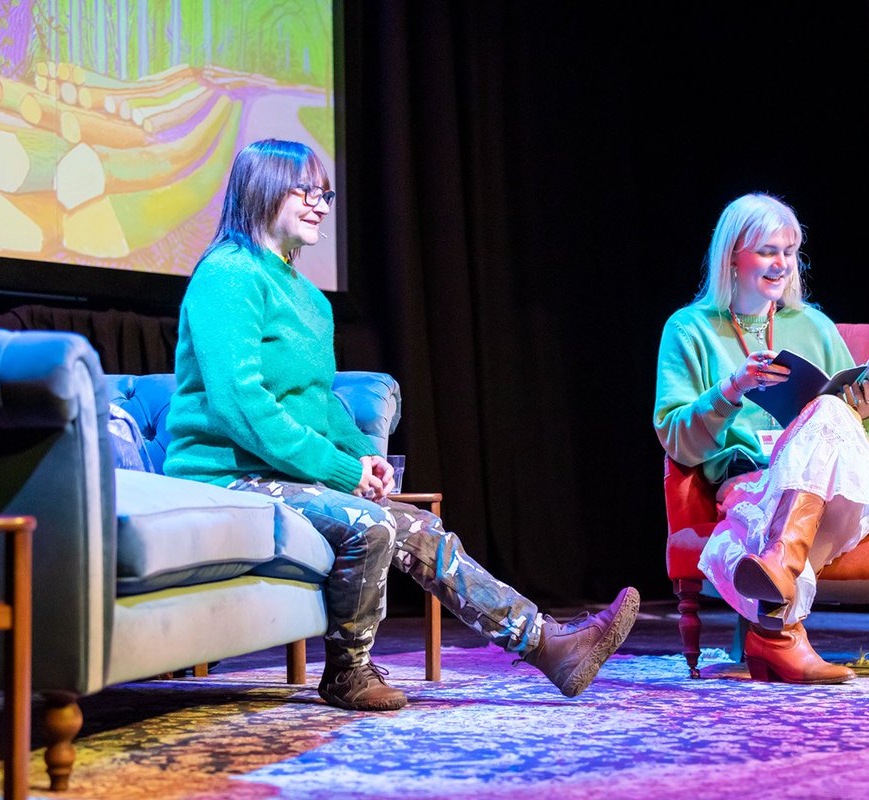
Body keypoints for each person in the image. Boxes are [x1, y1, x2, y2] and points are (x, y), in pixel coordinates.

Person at [164, 139, 639, 711]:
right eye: (305, 190)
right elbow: (241, 404)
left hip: (279, 473)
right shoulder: (230, 274)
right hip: (225, 475)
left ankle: (548, 645)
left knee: (422, 529)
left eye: (326, 194)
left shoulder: (311, 299)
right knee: (370, 524)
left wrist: (363, 457)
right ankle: (347, 672)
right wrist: (340, 470)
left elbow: (317, 402)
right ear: (262, 188)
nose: (320, 204)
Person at [653, 193, 869, 685]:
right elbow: (677, 441)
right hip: (753, 480)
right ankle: (779, 635)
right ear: (732, 257)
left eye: (790, 252)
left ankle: (777, 579)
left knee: (831, 407)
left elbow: (861, 450)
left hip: (841, 487)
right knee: (765, 505)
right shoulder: (689, 329)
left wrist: (864, 415)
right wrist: (732, 388)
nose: (782, 264)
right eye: (769, 251)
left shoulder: (813, 324)